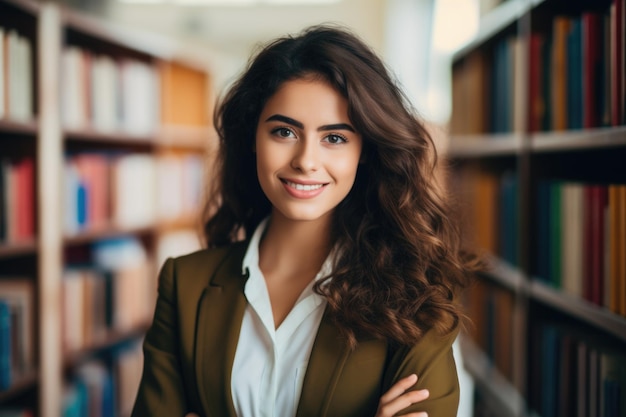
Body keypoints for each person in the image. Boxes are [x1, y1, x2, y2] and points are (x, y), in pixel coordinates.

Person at [131, 24, 478, 417]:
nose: (306, 161)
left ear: (365, 150)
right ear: (252, 139)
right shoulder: (185, 285)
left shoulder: (417, 298)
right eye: (284, 131)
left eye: (334, 138)